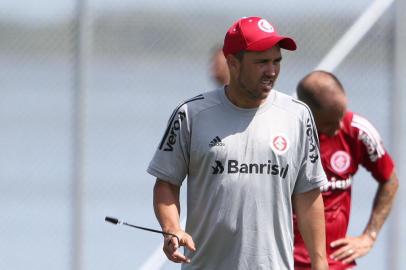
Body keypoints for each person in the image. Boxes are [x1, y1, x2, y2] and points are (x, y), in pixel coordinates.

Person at [148, 16, 329, 270]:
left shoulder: (298, 115)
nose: (272, 71)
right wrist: (171, 228)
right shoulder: (190, 114)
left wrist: (320, 264)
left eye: (277, 61)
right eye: (262, 62)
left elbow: (308, 193)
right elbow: (166, 182)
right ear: (232, 62)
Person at [294, 70, 399, 270]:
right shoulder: (284, 136)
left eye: (341, 116)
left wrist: (369, 236)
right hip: (284, 261)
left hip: (336, 262)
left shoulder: (357, 130)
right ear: (306, 112)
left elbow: (390, 179)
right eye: (329, 122)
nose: (339, 126)